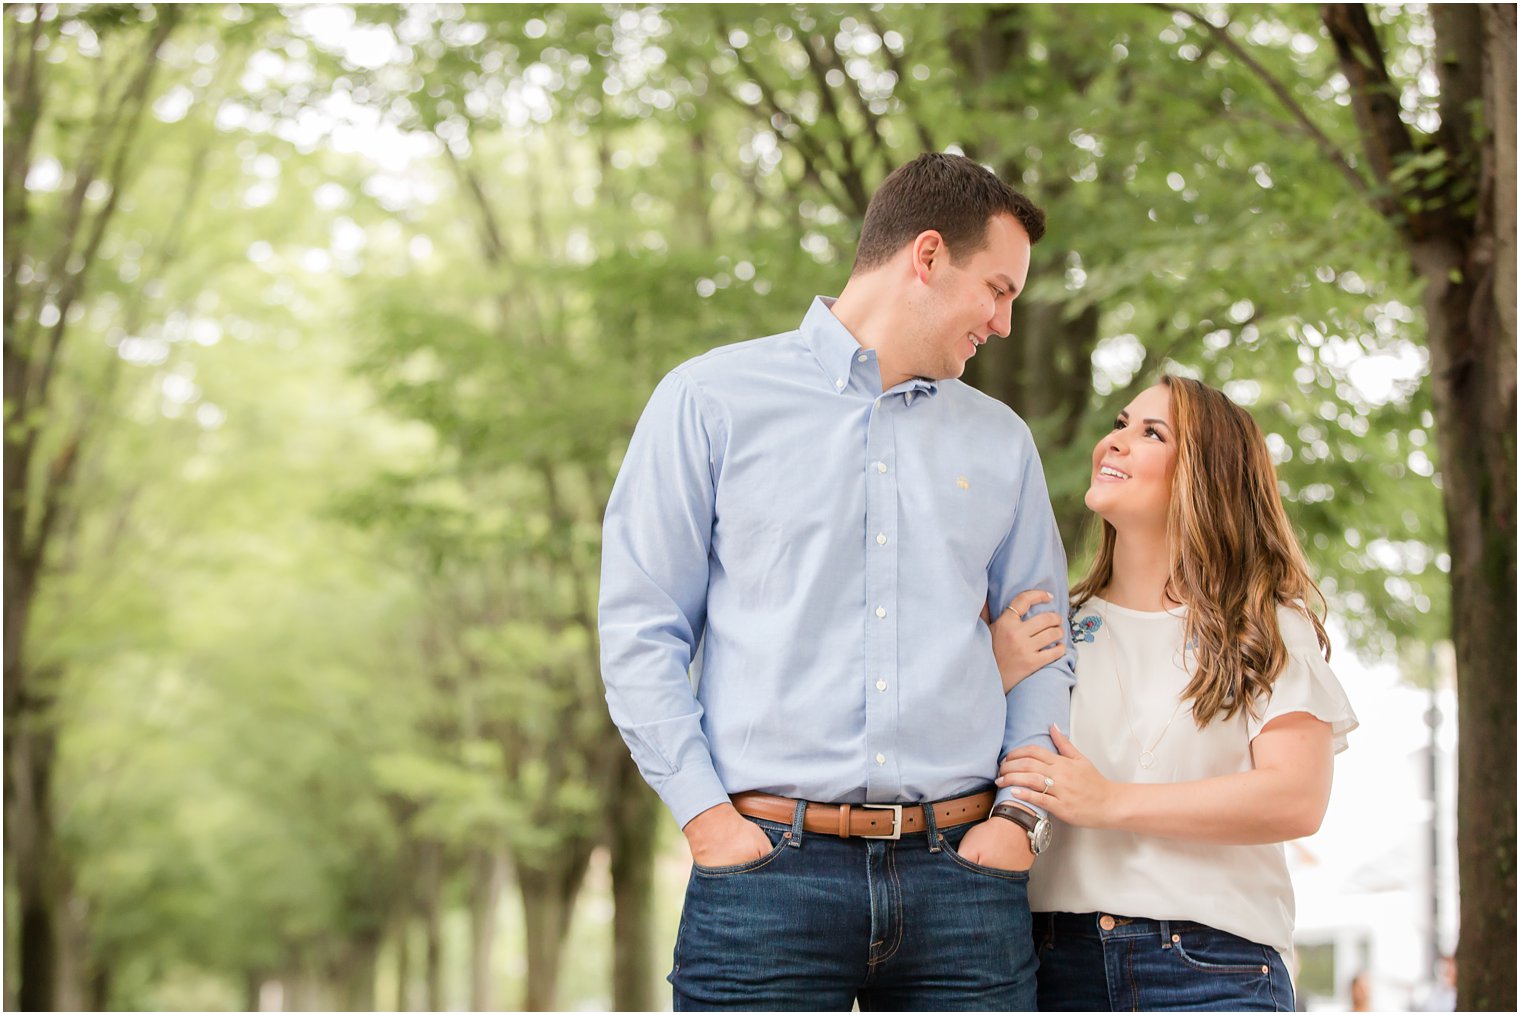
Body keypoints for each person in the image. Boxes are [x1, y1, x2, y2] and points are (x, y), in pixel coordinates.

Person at [599, 153, 1075, 1010]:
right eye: (999, 290)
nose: (1004, 322)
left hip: (963, 881)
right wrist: (705, 816)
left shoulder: (1002, 443)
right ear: (926, 257)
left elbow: (1044, 649)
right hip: (765, 874)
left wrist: (1018, 823)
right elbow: (643, 629)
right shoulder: (709, 401)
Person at [990, 376, 1358, 1012]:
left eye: (1151, 433)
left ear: (1205, 476)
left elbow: (1296, 798)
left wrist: (1111, 802)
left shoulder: (1266, 626)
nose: (1115, 441)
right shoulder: (1056, 625)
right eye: (1122, 421)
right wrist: (991, 675)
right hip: (1052, 966)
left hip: (1213, 968)